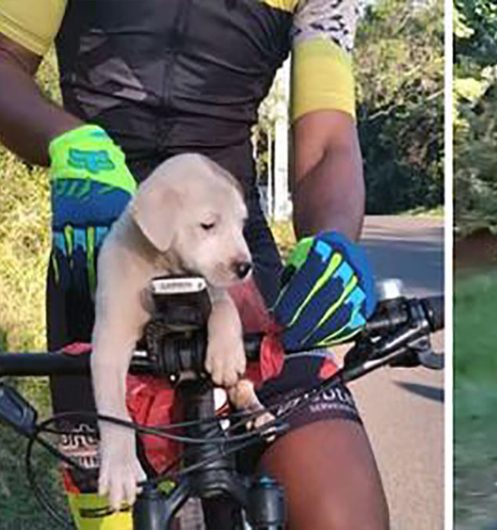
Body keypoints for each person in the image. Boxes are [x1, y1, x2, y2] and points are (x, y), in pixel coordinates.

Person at [0, 1, 388, 529]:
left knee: (343, 509)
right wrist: (71, 145)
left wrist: (335, 242)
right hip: (104, 257)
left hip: (236, 269)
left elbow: (327, 147)